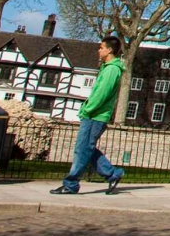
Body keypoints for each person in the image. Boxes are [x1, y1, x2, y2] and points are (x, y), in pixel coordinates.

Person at [51, 35, 125, 195]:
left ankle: (71, 184)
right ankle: (112, 174)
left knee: (82, 150)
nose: (99, 50)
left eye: (101, 47)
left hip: (95, 116)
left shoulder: (112, 69)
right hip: (94, 115)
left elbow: (101, 94)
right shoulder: (108, 68)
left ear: (109, 50)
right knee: (87, 149)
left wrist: (87, 109)